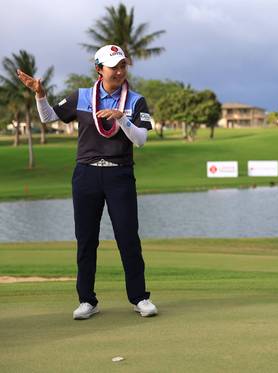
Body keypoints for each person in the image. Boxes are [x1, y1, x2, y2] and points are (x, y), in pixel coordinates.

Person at [17, 45, 158, 319]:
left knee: (128, 237)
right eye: (113, 66)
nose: (119, 71)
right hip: (86, 174)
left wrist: (123, 120)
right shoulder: (81, 96)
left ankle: (140, 298)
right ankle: (87, 300)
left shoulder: (136, 101)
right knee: (86, 240)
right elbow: (47, 118)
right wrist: (40, 94)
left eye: (122, 66)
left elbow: (141, 140)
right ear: (99, 70)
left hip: (120, 174)